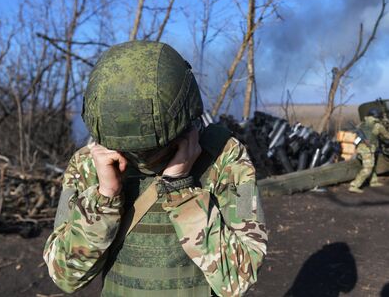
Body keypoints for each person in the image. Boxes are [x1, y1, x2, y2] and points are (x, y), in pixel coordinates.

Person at [43, 41, 267, 296]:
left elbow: (241, 275)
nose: (141, 158)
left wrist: (180, 190)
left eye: (153, 149)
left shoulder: (226, 156)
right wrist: (104, 198)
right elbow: (64, 276)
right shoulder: (87, 164)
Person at [348, 108, 389, 194]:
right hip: (367, 149)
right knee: (368, 168)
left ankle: (373, 181)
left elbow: (357, 137)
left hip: (360, 148)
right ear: (377, 116)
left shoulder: (361, 124)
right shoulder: (378, 125)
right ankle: (354, 185)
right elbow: (386, 135)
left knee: (372, 164)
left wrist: (356, 145)